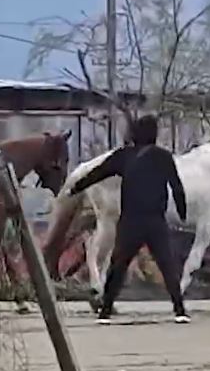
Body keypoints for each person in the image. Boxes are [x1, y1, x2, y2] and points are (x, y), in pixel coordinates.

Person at [68, 114, 190, 324]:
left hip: (131, 220)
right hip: (155, 220)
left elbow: (99, 172)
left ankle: (105, 311)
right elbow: (176, 186)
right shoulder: (163, 157)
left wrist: (76, 187)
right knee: (167, 264)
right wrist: (182, 212)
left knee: (118, 265)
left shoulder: (124, 156)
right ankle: (179, 310)